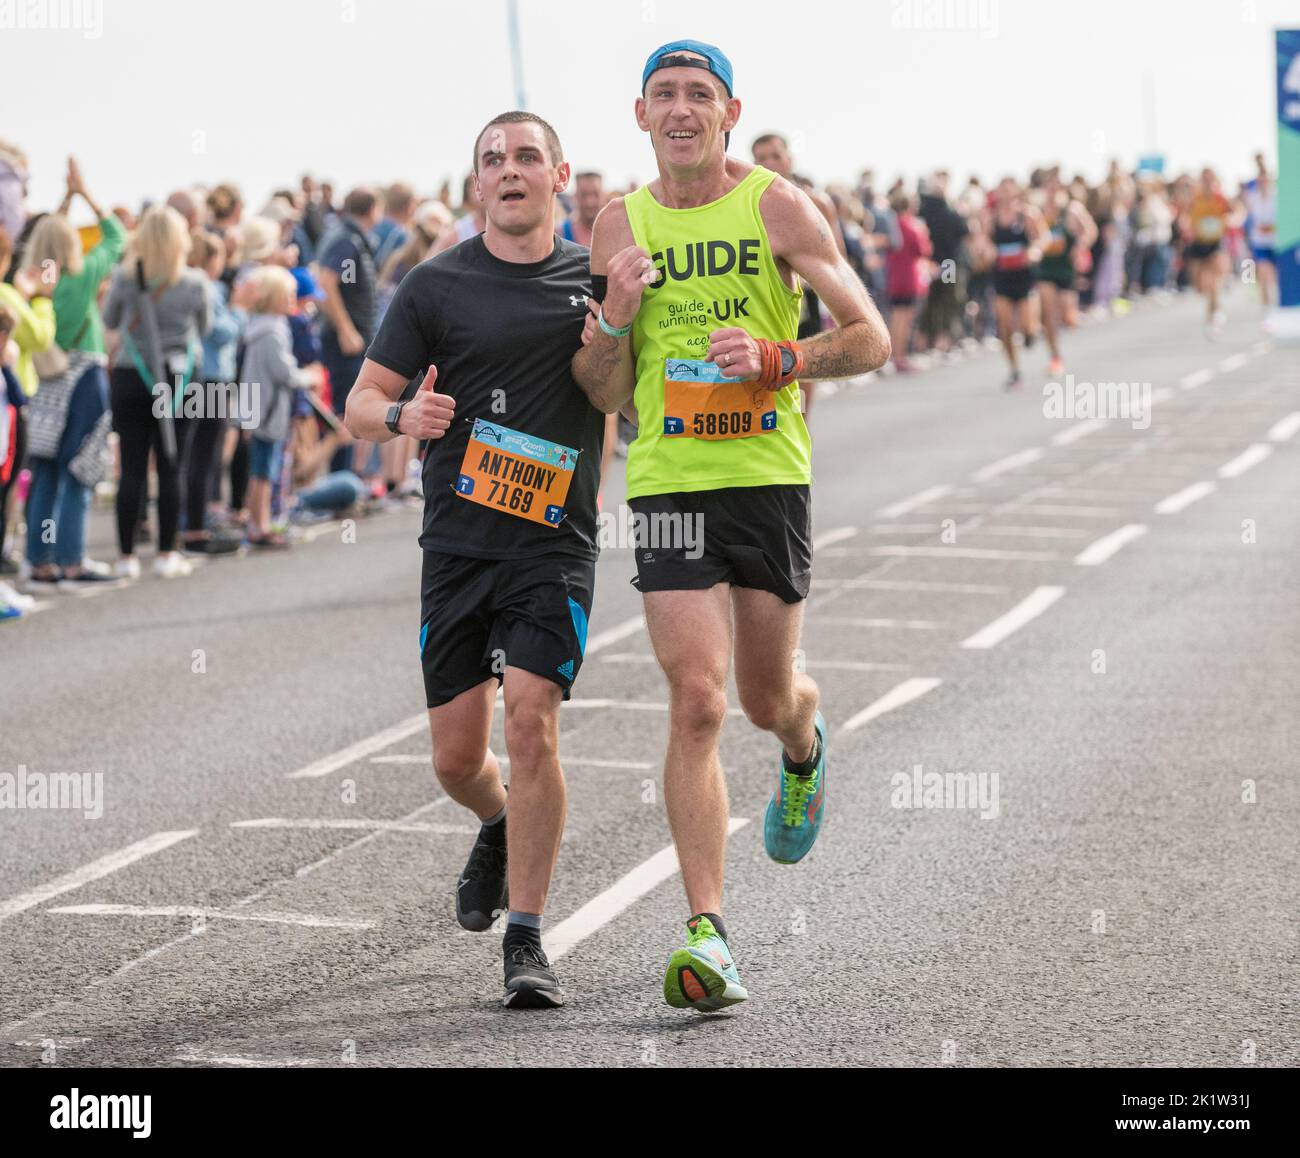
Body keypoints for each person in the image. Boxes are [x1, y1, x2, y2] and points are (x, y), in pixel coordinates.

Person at [572, 41, 890, 1013]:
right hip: (668, 486)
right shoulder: (617, 223)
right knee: (699, 699)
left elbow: (871, 337)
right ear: (640, 115)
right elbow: (602, 390)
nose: (680, 109)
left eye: (698, 95)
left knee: (762, 698)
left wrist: (778, 357)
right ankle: (708, 934)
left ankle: (803, 742)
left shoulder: (777, 206)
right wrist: (615, 317)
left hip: (766, 478)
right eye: (663, 95)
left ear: (728, 112)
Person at [344, 112, 604, 1009]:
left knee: (531, 723)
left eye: (527, 156)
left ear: (559, 175)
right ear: (476, 184)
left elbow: (625, 387)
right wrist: (400, 417)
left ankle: (526, 938)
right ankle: (496, 820)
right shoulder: (436, 284)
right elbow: (359, 402)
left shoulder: (593, 281)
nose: (510, 170)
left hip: (553, 544)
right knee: (457, 760)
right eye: (494, 160)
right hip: (458, 546)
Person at [22, 158, 126, 588]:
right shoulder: (82, 278)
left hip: (46, 383)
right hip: (83, 377)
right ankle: (71, 561)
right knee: (79, 469)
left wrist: (64, 201)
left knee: (45, 471)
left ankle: (40, 561)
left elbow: (49, 240)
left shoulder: (35, 281)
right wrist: (84, 194)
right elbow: (116, 236)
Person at [102, 204, 211, 579]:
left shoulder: (124, 278)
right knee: (172, 465)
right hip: (181, 379)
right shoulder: (195, 282)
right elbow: (204, 327)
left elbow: (109, 320)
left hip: (132, 373)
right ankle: (166, 553)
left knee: (131, 467)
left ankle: (126, 556)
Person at [750, 131, 847, 414]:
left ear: (789, 159)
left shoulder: (815, 202)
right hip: (764, 299)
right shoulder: (747, 203)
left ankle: (802, 426)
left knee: (801, 366)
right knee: (767, 368)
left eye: (775, 156)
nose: (769, 163)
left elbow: (837, 258)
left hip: (805, 297)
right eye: (761, 158)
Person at [239, 266, 320, 548]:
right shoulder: (272, 331)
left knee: (261, 469)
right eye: (288, 295)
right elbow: (284, 373)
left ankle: (258, 522)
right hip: (268, 410)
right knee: (264, 472)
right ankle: (259, 525)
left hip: (258, 408)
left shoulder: (259, 326)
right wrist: (309, 377)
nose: (292, 300)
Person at [0, 224, 56, 574]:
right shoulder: (5, 294)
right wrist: (42, 298)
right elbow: (40, 336)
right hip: (10, 400)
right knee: (8, 482)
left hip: (13, 395)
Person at [317, 187, 381, 473]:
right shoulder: (347, 241)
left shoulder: (349, 238)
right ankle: (339, 481)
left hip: (352, 340)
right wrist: (346, 329)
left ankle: (343, 479)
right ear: (372, 209)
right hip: (345, 344)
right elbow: (327, 282)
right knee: (345, 411)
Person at [985, 178, 1043, 390]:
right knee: (1005, 328)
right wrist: (988, 250)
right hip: (1002, 276)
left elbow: (1042, 238)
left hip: (1024, 276)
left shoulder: (1027, 214)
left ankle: (1030, 334)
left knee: (1028, 327)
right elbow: (985, 241)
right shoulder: (992, 218)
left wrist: (1035, 250)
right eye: (1002, 190)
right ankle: (1014, 369)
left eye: (1009, 190)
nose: (1005, 194)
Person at [1035, 181, 1097, 377]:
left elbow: (1091, 231)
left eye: (1055, 190)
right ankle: (1055, 357)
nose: (1052, 194)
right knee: (1048, 314)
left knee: (1069, 318)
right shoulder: (1039, 213)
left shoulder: (1072, 210)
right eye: (1048, 189)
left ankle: (1073, 349)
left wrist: (1080, 246)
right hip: (1045, 270)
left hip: (1066, 270)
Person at [884, 190, 931, 372]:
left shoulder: (891, 225)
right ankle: (900, 357)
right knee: (904, 320)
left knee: (896, 318)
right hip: (909, 277)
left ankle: (895, 357)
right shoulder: (912, 226)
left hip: (894, 276)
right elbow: (924, 250)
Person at [1184, 168, 1233, 335]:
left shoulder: (1221, 198)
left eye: (1210, 180)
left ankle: (1215, 313)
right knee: (1200, 286)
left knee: (1213, 280)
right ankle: (1212, 313)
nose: (1207, 183)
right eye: (1204, 180)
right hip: (1199, 243)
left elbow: (1235, 212)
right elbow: (1186, 217)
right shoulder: (1195, 199)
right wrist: (1188, 227)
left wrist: (1229, 222)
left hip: (1215, 243)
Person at [1242, 156, 1277, 308]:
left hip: (1275, 241)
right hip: (1259, 241)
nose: (1263, 184)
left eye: (1265, 181)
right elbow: (1247, 216)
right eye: (1260, 182)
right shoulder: (1252, 197)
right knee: (1263, 271)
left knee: (1275, 274)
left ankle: (1277, 300)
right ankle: (1266, 302)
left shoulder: (1277, 195)